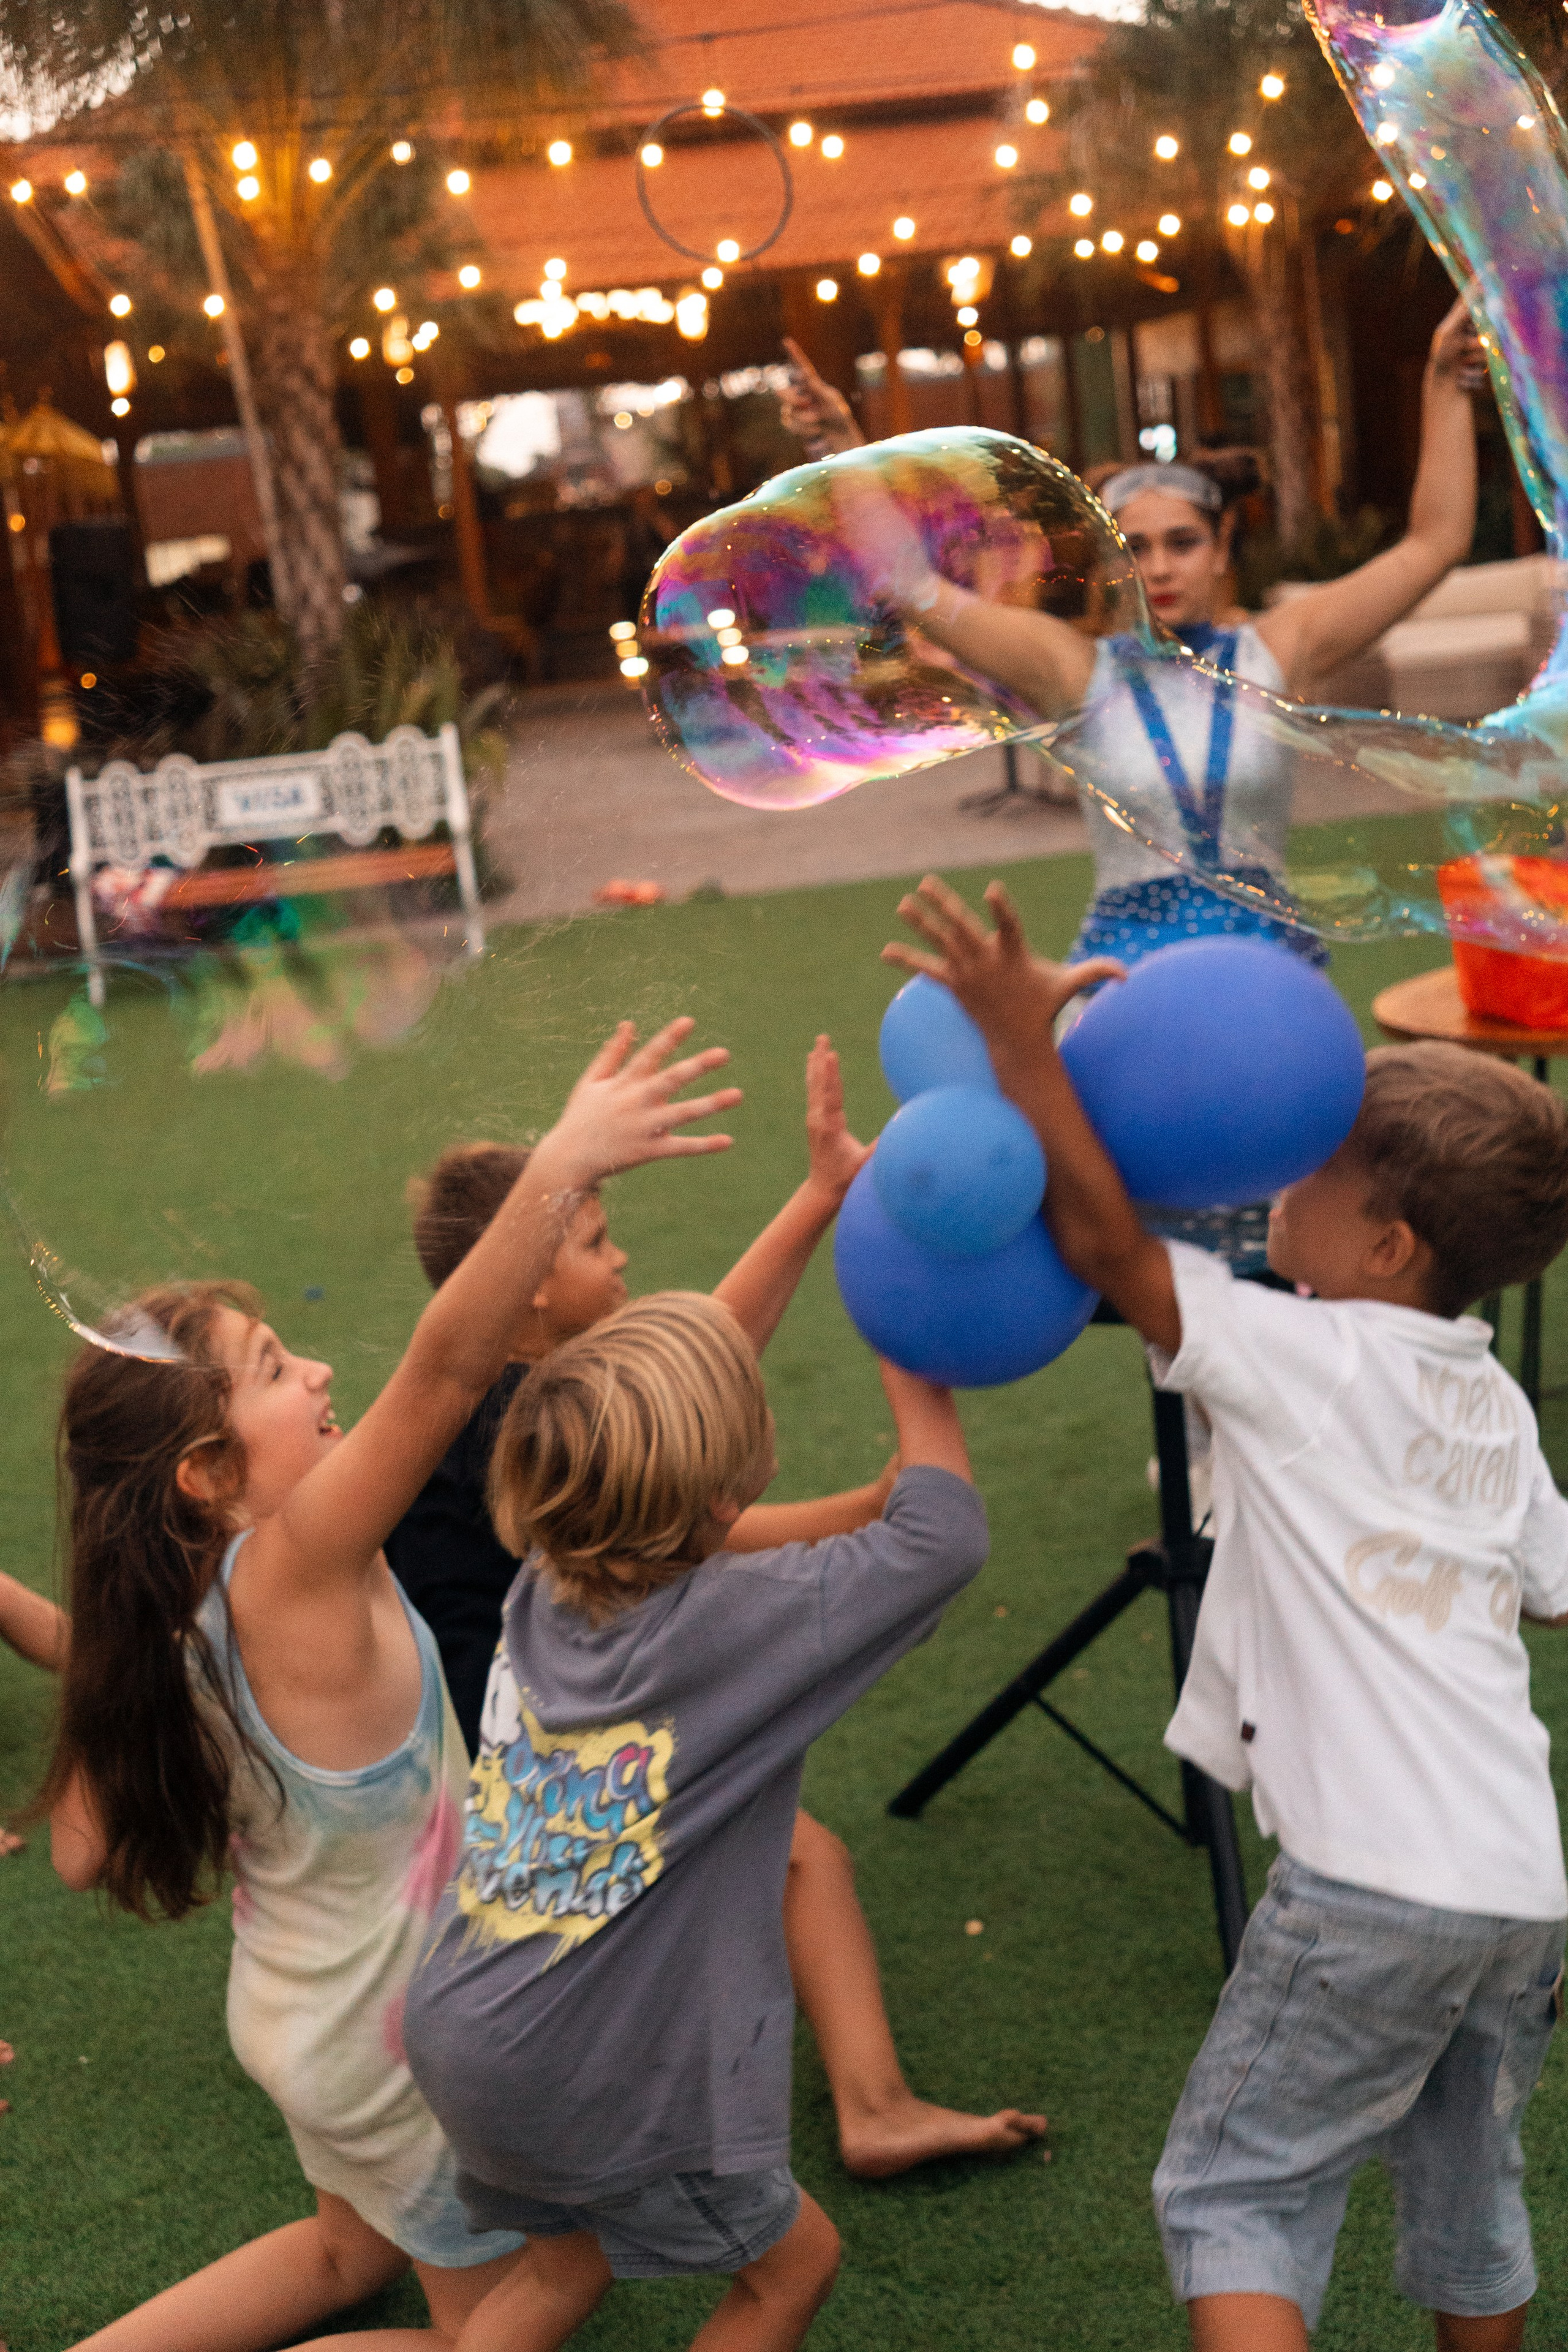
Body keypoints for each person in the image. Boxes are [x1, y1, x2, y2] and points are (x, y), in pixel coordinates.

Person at [884, 871, 1568, 2352]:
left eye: (1310, 1172)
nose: (1275, 1182)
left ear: (1387, 1248)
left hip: (1367, 1880)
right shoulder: (1492, 1403)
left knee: (1234, 2191)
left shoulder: (1297, 1358)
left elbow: (1105, 1256)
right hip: (1519, 1885)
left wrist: (1016, 1053)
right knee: (1466, 2195)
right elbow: (1554, 1594)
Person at [40, 1017, 743, 2352]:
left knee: (340, 2252)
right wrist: (561, 1172)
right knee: (556, 2276)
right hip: (391, 2037)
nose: (312, 1371)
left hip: (301, 2006)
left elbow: (79, 1854)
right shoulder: (296, 1566)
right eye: (268, 1372)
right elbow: (446, 1367)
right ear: (203, 1473)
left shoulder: (173, 1615)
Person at [386, 1038, 1047, 2179]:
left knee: (805, 1860)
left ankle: (872, 2104)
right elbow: (685, 1502)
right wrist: (872, 1508)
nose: (623, 1252)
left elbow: (682, 1420)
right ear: (532, 1279)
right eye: (597, 1239)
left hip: (583, 1685)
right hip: (547, 1732)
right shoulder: (507, 1419)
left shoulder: (561, 1399)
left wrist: (819, 1196)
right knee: (760, 1868)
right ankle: (818, 2103)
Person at [402, 1295, 992, 2352]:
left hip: (464, 2030)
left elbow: (693, 1533)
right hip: (593, 2074)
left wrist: (858, 1505)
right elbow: (945, 1538)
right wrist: (915, 1349)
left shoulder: (544, 1582)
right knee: (792, 2270)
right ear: (724, 1492)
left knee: (561, 2267)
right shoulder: (737, 1626)